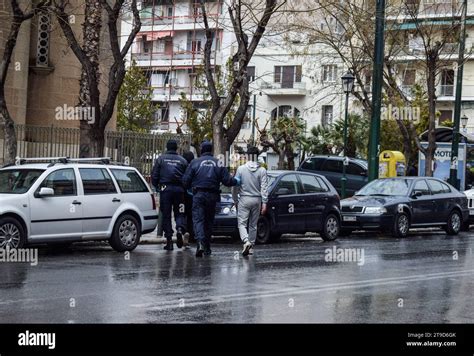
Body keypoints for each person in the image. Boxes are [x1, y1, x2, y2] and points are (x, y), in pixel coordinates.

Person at [182, 141, 238, 257]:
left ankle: (200, 243)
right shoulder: (218, 163)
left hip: (199, 195)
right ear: (211, 150)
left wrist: (189, 189)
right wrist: (237, 180)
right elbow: (227, 181)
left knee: (198, 220)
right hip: (213, 196)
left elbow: (185, 181)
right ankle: (207, 246)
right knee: (208, 221)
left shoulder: (194, 163)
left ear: (202, 149)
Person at [152, 139, 188, 251]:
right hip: (179, 191)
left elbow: (154, 176)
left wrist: (157, 187)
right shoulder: (183, 161)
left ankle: (169, 241)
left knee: (166, 215)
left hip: (165, 190)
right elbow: (187, 177)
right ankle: (180, 230)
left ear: (167, 147)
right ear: (176, 148)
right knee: (180, 213)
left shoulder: (160, 159)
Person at [232, 147, 268, 256]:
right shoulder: (262, 170)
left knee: (242, 223)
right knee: (253, 224)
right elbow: (264, 187)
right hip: (257, 200)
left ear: (247, 156)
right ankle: (251, 246)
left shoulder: (241, 169)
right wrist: (264, 202)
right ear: (257, 157)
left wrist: (235, 200)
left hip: (244, 199)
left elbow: (235, 186)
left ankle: (246, 241)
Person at [182, 151, 195, 246]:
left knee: (181, 214)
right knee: (191, 216)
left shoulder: (181, 166)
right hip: (193, 195)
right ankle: (191, 235)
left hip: (182, 194)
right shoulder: (194, 166)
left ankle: (182, 231)